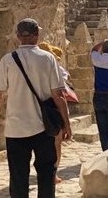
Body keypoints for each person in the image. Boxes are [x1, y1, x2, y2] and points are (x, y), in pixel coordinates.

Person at [0, 18, 72, 198]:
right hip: (44, 128)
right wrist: (66, 124)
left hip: (16, 129)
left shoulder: (7, 61)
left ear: (18, 36)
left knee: (18, 177)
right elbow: (58, 95)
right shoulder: (48, 59)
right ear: (37, 35)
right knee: (47, 174)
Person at [38, 42, 74, 185]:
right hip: (52, 109)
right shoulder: (56, 70)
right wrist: (67, 123)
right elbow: (60, 95)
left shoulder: (32, 68)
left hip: (36, 110)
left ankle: (46, 172)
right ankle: (53, 173)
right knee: (56, 142)